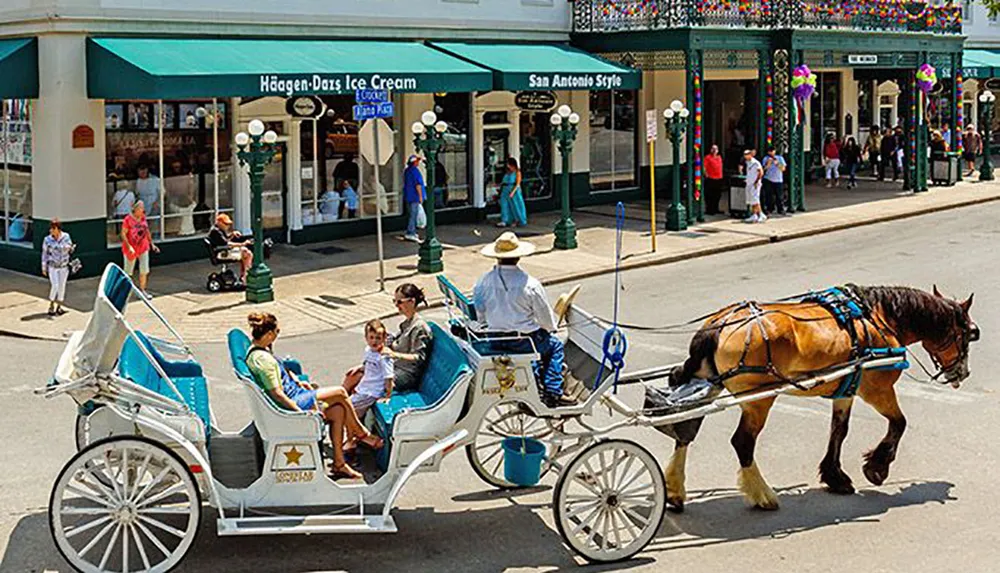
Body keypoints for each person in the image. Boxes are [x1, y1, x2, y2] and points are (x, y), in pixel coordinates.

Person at [244, 312, 383, 480]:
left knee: (338, 410)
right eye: (277, 332)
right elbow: (277, 394)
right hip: (291, 404)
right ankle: (361, 433)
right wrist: (300, 413)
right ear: (268, 334)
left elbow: (281, 372)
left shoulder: (261, 350)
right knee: (340, 392)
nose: (277, 335)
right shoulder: (262, 360)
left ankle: (340, 464)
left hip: (297, 393)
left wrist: (296, 380)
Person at [473, 232, 575, 407]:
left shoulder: (483, 282)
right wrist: (550, 329)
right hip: (523, 341)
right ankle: (552, 391)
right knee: (555, 346)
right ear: (518, 257)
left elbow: (480, 312)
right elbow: (545, 320)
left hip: (495, 339)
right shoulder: (530, 284)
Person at [382, 283, 432, 392]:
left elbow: (419, 357)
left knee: (369, 382)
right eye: (394, 301)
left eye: (399, 302)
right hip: (396, 367)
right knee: (357, 374)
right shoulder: (406, 323)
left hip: (407, 374)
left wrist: (394, 354)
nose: (396, 305)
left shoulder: (419, 327)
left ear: (412, 301)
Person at [341, 319, 394, 421]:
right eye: (371, 337)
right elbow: (369, 365)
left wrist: (387, 396)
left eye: (378, 338)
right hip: (364, 387)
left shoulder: (384, 357)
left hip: (372, 392)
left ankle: (357, 433)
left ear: (384, 338)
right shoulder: (368, 350)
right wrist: (359, 368)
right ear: (366, 338)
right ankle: (356, 432)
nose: (374, 341)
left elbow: (389, 378)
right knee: (354, 413)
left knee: (346, 407)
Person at [121, 201, 159, 292]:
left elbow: (147, 231)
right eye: (141, 208)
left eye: (143, 208)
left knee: (144, 270)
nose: (143, 210)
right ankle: (126, 291)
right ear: (136, 209)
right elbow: (123, 234)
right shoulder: (128, 219)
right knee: (128, 272)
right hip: (131, 249)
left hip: (143, 247)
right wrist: (129, 246)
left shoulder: (143, 218)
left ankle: (143, 291)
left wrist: (152, 244)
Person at [41, 219, 74, 316]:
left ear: (58, 229)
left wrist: (69, 248)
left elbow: (70, 247)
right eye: (51, 228)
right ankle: (51, 304)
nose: (51, 230)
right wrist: (44, 267)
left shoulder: (66, 236)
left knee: (62, 286)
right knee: (55, 285)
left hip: (64, 266)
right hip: (53, 266)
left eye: (53, 228)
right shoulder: (47, 239)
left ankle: (59, 306)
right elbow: (44, 254)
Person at [208, 213, 252, 282]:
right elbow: (228, 244)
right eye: (225, 224)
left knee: (245, 251)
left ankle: (243, 275)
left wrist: (232, 234)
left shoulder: (219, 230)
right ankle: (245, 277)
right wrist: (242, 244)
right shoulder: (215, 231)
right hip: (221, 253)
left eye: (228, 224)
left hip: (223, 250)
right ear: (219, 222)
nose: (227, 226)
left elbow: (224, 240)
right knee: (247, 254)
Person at [498, 157, 528, 228]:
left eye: (509, 164)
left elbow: (517, 183)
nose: (508, 166)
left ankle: (518, 220)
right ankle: (505, 220)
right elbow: (503, 182)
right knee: (504, 205)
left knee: (515, 206)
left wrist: (513, 192)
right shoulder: (507, 173)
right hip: (505, 189)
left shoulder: (517, 172)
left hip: (513, 190)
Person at [402, 155, 425, 242]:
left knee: (411, 214)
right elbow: (418, 185)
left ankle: (412, 231)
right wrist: (420, 197)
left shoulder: (407, 171)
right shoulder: (415, 171)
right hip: (414, 197)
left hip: (408, 196)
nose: (418, 163)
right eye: (417, 161)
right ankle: (411, 232)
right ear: (414, 162)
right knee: (413, 215)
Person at [761, 147, 786, 215]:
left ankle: (780, 209)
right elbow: (764, 169)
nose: (771, 153)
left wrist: (777, 164)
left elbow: (783, 169)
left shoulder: (780, 158)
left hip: (778, 179)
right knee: (769, 195)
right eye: (770, 151)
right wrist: (768, 164)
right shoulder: (766, 158)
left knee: (779, 195)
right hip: (768, 179)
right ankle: (770, 208)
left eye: (772, 151)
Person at [743, 149, 765, 223]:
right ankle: (754, 215)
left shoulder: (755, 163)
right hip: (749, 183)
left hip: (755, 184)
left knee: (756, 200)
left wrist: (756, 181)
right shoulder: (747, 162)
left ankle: (761, 214)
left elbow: (761, 172)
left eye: (747, 154)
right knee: (751, 200)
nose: (746, 156)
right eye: (745, 154)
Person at [704, 144, 725, 215]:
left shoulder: (719, 157)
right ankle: (710, 210)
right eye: (713, 149)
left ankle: (716, 208)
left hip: (719, 178)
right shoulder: (707, 158)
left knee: (717, 195)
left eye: (716, 149)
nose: (714, 150)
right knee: (710, 195)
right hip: (711, 178)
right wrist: (706, 175)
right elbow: (704, 167)